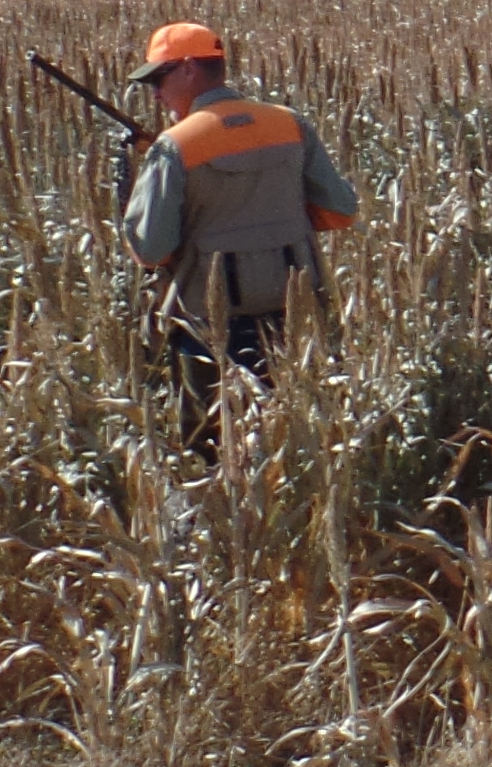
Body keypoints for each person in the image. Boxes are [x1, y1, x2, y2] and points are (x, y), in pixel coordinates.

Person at [117, 23, 358, 453]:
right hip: (293, 319)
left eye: (159, 79)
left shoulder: (174, 147)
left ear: (188, 69)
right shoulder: (289, 124)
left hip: (210, 333)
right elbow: (340, 210)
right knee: (298, 443)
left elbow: (151, 249)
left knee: (210, 454)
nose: (155, 95)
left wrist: (151, 184)